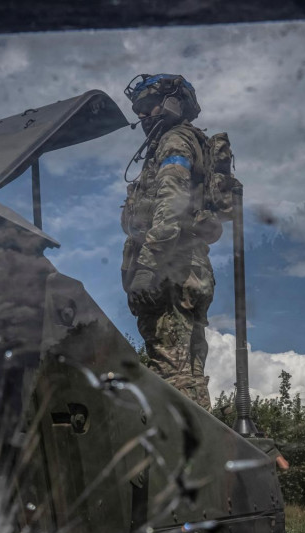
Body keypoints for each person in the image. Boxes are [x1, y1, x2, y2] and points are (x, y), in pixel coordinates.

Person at [120, 73, 222, 411]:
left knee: (171, 377)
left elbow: (171, 201)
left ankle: (185, 460)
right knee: (189, 375)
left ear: (174, 104)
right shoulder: (194, 142)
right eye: (140, 111)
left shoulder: (174, 141)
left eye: (149, 108)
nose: (144, 118)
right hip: (192, 268)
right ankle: (209, 456)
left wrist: (148, 264)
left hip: (169, 268)